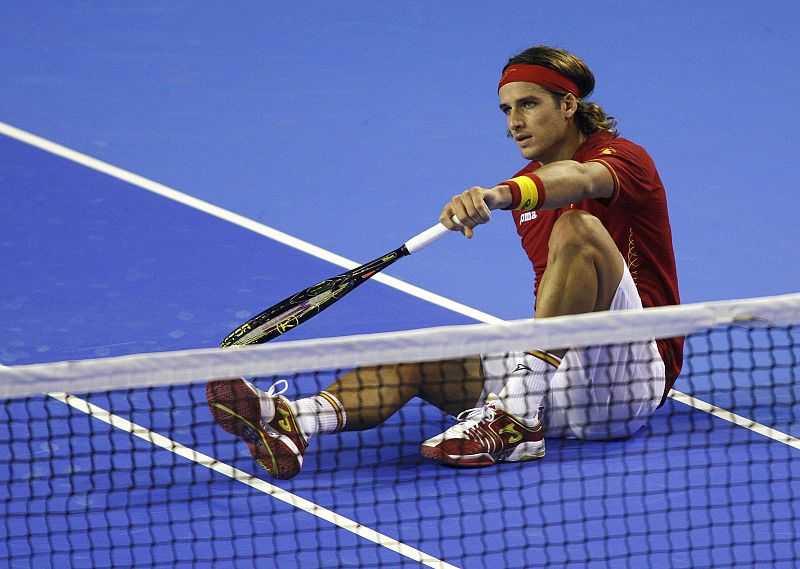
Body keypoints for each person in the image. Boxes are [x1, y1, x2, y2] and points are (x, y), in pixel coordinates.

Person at [206, 45, 683, 479]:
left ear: (568, 105)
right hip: (555, 379)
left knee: (578, 229)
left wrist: (500, 194)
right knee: (417, 352)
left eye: (529, 104)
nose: (514, 122)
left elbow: (578, 178)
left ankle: (515, 416)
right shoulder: (525, 189)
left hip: (629, 377)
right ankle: (296, 421)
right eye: (506, 109)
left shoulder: (621, 159)